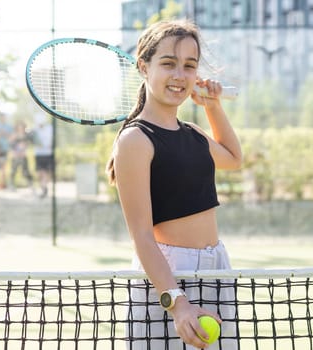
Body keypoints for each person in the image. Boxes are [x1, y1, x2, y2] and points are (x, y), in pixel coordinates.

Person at [105, 20, 242, 349]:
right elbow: (141, 236)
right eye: (168, 63)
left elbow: (233, 158)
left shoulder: (193, 134)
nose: (180, 76)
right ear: (144, 67)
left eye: (189, 66)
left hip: (217, 268)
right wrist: (177, 302)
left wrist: (212, 106)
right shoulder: (135, 140)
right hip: (167, 275)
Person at [32, 113, 53, 198]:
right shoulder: (35, 130)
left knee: (45, 172)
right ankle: (43, 187)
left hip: (48, 154)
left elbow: (50, 141)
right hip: (38, 154)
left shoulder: (50, 128)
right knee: (40, 173)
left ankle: (44, 188)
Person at [9, 120, 34, 190]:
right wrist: (14, 152)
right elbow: (11, 144)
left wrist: (24, 149)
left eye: (22, 127)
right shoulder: (14, 134)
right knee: (13, 171)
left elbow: (29, 144)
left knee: (26, 171)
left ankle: (31, 185)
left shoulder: (26, 135)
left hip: (23, 155)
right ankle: (11, 186)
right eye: (19, 127)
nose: (20, 128)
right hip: (15, 155)